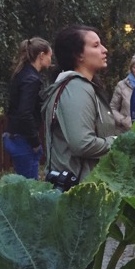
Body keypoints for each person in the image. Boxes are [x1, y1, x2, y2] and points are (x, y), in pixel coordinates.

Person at [41, 25, 117, 181]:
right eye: (96, 45)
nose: (104, 50)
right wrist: (116, 143)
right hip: (79, 192)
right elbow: (82, 143)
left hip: (83, 186)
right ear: (78, 55)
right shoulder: (76, 88)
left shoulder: (78, 86)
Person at [3, 37, 53, 179]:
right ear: (41, 56)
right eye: (50, 56)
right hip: (24, 141)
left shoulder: (21, 74)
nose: (51, 60)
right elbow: (24, 113)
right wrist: (35, 142)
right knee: (29, 189)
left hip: (13, 136)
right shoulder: (32, 79)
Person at [110, 53, 135, 133]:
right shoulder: (122, 85)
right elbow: (112, 108)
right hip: (125, 133)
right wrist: (124, 120)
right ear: (131, 68)